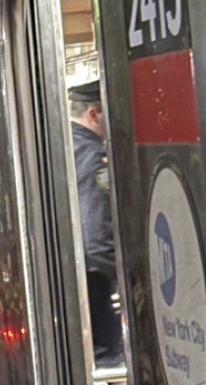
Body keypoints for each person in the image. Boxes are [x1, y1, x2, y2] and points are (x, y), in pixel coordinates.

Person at [70, 80, 123, 366]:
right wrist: (120, 277)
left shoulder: (66, 147)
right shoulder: (92, 156)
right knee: (111, 363)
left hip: (77, 278)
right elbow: (96, 230)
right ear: (93, 114)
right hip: (98, 283)